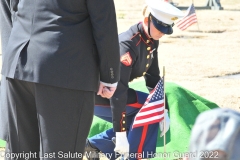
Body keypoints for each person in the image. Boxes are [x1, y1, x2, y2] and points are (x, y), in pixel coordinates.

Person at [0, 0, 121, 159]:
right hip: (65, 68)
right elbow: (104, 21)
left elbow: (7, 9)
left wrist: (12, 56)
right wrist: (109, 75)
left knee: (22, 154)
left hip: (17, 62)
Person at [85, 1, 184, 160]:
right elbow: (118, 92)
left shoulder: (151, 39)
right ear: (147, 20)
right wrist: (120, 133)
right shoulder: (127, 45)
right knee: (147, 108)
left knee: (152, 108)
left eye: (166, 28)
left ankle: (96, 144)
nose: (163, 33)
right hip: (98, 96)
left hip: (114, 94)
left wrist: (163, 108)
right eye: (160, 27)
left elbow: (152, 77)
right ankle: (133, 157)